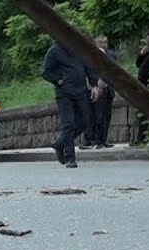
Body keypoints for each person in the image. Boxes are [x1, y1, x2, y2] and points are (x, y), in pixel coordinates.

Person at [42, 40, 98, 168]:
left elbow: (88, 67)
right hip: (64, 93)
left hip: (80, 90)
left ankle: (60, 143)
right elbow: (46, 72)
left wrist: (94, 85)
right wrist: (59, 80)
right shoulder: (54, 51)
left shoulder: (79, 49)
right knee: (69, 124)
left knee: (86, 121)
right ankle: (70, 158)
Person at [84, 35, 117, 148]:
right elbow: (89, 71)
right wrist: (96, 85)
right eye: (100, 43)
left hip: (109, 89)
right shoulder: (90, 56)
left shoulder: (111, 55)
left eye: (105, 42)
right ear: (95, 43)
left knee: (107, 116)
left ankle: (104, 139)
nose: (103, 45)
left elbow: (115, 69)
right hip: (97, 88)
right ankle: (95, 140)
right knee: (98, 116)